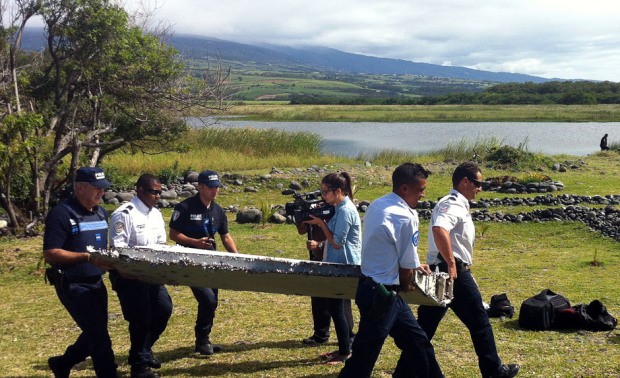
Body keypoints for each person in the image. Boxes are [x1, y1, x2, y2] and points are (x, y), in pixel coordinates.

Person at [417, 161, 520, 378]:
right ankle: (494, 371)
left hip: (443, 270)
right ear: (465, 181)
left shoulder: (456, 203)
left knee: (425, 328)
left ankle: (404, 371)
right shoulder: (453, 203)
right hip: (453, 272)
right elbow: (439, 229)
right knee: (480, 323)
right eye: (477, 183)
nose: (480, 188)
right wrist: (452, 264)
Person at [339, 163, 442, 378]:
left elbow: (387, 247)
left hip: (370, 287)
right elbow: (406, 269)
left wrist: (413, 265)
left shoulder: (378, 204)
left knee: (418, 343)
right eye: (421, 189)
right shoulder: (406, 216)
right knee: (363, 358)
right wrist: (409, 281)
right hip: (384, 295)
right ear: (405, 189)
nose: (423, 195)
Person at [43, 167, 118, 378]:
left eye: (103, 189)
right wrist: (85, 257)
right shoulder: (62, 213)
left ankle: (62, 362)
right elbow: (50, 253)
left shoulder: (101, 213)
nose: (101, 193)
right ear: (80, 188)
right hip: (72, 283)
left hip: (96, 282)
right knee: (99, 336)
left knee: (95, 331)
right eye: (97, 188)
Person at [109, 174, 173, 378]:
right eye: (154, 192)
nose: (158, 196)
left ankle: (143, 351)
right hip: (130, 276)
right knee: (141, 319)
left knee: (163, 310)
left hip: (153, 275)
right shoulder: (124, 214)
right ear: (141, 191)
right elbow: (118, 249)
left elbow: (161, 244)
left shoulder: (155, 214)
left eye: (160, 192)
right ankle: (139, 366)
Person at [169, 170, 239, 355]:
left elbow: (225, 236)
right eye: (211, 187)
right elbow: (173, 234)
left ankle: (203, 339)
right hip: (190, 263)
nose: (215, 190)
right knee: (207, 299)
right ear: (200, 187)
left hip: (212, 262)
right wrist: (195, 243)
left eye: (217, 187)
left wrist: (238, 257)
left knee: (212, 301)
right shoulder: (184, 208)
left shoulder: (217, 210)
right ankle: (202, 340)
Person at [304, 172, 361, 365]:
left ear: (338, 191)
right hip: (336, 263)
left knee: (337, 309)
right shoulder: (339, 207)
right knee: (335, 308)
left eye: (325, 192)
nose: (323, 196)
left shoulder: (346, 210)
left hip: (344, 263)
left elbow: (337, 242)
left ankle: (345, 352)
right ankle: (344, 348)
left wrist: (321, 223)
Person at [297, 222, 356, 348]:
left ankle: (348, 335)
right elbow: (302, 230)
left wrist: (319, 244)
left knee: (341, 299)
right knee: (318, 296)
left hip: (335, 257)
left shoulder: (338, 210)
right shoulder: (315, 209)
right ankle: (320, 334)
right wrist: (302, 220)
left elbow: (341, 238)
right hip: (318, 257)